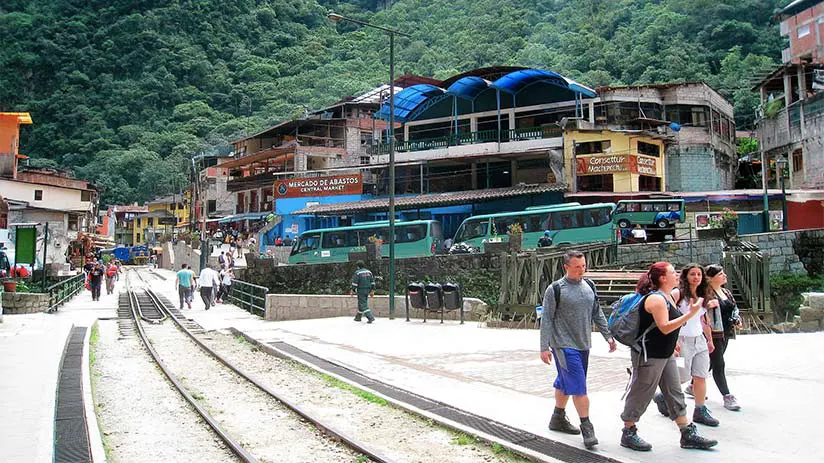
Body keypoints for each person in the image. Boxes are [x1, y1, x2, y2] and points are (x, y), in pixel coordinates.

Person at [620, 262, 717, 452]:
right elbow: (664, 327)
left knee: (674, 391)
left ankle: (687, 432)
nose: (677, 275)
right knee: (642, 391)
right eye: (673, 272)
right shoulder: (655, 299)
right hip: (649, 355)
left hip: (665, 353)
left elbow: (666, 328)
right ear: (663, 278)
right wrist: (690, 314)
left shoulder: (666, 297)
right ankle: (628, 431)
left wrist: (674, 343)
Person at [540, 250, 616, 449]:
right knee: (579, 387)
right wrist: (544, 347)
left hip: (584, 344)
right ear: (566, 267)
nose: (581, 270)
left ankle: (557, 418)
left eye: (583, 266)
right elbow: (546, 318)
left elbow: (596, 311)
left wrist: (608, 335)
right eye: (577, 267)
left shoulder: (589, 285)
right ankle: (587, 427)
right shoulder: (555, 289)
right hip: (563, 345)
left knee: (565, 382)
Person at [653, 264, 720, 427]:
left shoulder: (704, 294)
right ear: (686, 276)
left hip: (699, 340)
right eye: (692, 274)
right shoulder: (678, 294)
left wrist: (709, 340)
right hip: (682, 340)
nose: (696, 277)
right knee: (681, 376)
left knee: (700, 375)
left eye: (699, 274)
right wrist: (673, 340)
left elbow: (704, 319)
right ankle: (663, 396)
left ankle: (700, 409)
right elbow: (668, 316)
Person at [704, 264, 742, 411]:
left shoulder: (726, 292)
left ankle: (693, 385)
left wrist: (737, 319)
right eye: (720, 274)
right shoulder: (706, 293)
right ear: (711, 278)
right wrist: (707, 305)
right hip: (712, 333)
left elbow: (734, 308)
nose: (724, 276)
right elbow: (698, 309)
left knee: (713, 362)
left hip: (726, 332)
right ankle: (727, 396)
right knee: (719, 363)